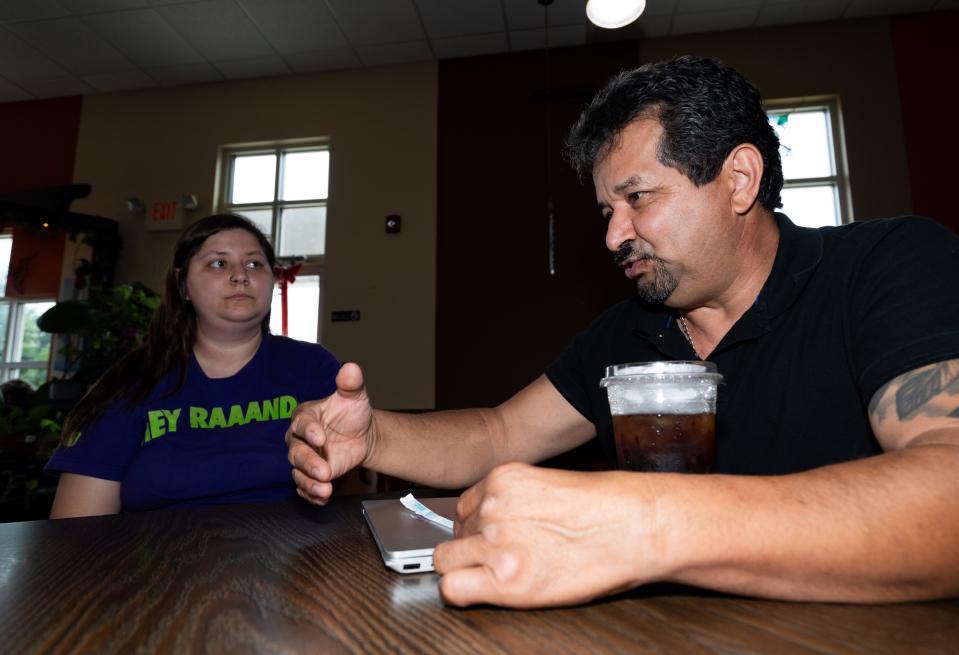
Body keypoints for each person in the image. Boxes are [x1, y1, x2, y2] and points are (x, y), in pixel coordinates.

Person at [286, 56, 959, 607]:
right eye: (607, 209)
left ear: (739, 180)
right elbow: (497, 434)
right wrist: (374, 436)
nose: (613, 235)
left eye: (638, 198)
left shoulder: (887, 267)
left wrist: (644, 522)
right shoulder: (627, 332)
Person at [47, 214, 340, 517]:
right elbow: (77, 529)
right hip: (160, 559)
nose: (240, 275)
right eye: (218, 263)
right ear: (182, 284)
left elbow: (350, 492)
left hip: (294, 557)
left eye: (254, 264)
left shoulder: (313, 368)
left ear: (273, 280)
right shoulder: (132, 381)